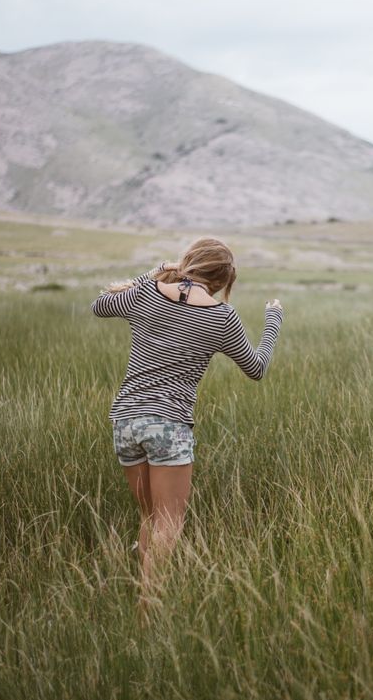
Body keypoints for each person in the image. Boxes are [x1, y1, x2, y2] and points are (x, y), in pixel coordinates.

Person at [91, 237, 284, 585]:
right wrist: (273, 322)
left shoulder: (146, 294)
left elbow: (99, 305)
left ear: (188, 262)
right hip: (169, 425)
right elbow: (256, 369)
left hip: (125, 420)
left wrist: (155, 272)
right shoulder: (221, 316)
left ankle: (144, 604)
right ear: (225, 280)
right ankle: (152, 609)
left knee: (150, 518)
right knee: (169, 523)